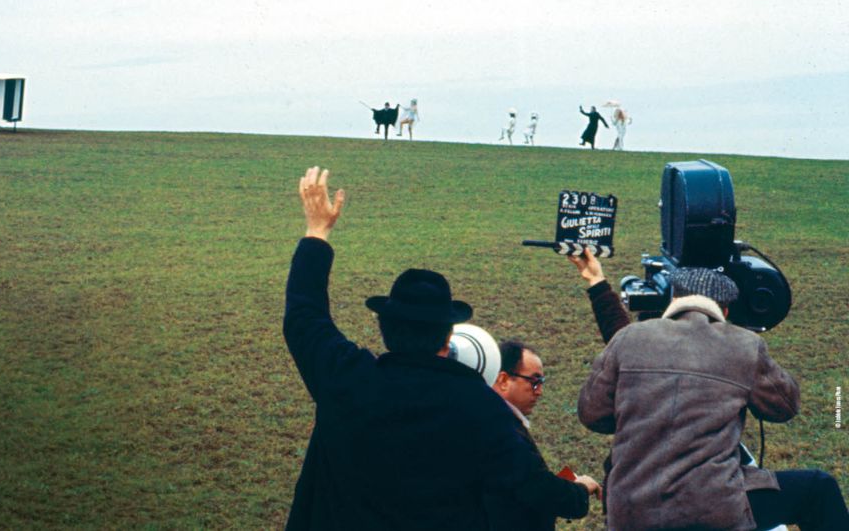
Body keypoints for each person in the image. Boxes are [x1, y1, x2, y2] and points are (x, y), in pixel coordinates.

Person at [284, 167, 599, 529]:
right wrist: (577, 492)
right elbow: (531, 485)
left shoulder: (346, 376)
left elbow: (303, 317)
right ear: (448, 339)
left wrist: (316, 233)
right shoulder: (481, 406)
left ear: (383, 327)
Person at [572, 253, 849, 530]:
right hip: (713, 510)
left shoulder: (628, 337)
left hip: (630, 513)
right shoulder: (744, 345)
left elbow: (592, 415)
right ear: (726, 311)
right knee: (818, 488)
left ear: (672, 300)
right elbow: (785, 407)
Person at [484, 340, 600, 530]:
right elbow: (537, 488)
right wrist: (581, 489)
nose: (540, 392)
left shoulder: (493, 419)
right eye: (534, 381)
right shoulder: (501, 430)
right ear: (503, 380)